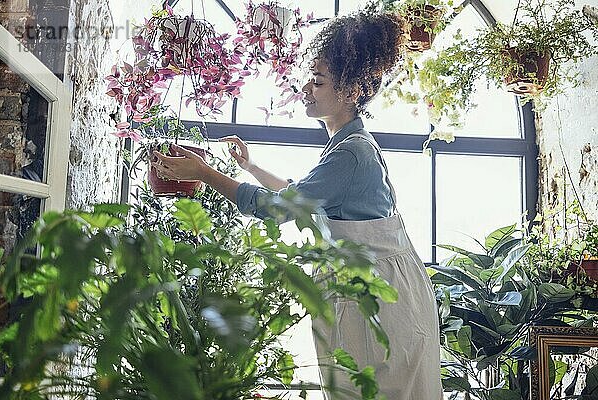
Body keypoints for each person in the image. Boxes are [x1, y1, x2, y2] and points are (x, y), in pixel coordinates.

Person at [153, 7, 442, 400]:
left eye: (318, 81)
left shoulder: (352, 154)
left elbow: (278, 208)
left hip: (382, 303)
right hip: (377, 294)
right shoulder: (347, 147)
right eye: (310, 78)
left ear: (352, 89)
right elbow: (302, 196)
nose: (306, 87)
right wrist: (251, 167)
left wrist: (205, 173)